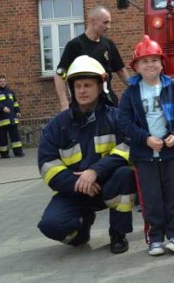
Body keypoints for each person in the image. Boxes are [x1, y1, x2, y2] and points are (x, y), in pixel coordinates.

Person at [37, 56, 135, 254]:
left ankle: (118, 234)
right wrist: (78, 184)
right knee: (51, 225)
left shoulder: (115, 117)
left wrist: (95, 172)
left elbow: (129, 147)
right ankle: (81, 231)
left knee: (125, 174)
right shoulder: (58, 125)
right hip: (74, 191)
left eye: (88, 85)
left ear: (100, 87)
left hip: (108, 185)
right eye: (78, 86)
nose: (82, 90)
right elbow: (46, 164)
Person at [118, 35, 174, 256]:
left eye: (154, 60)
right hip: (144, 156)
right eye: (144, 61)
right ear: (136, 67)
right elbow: (124, 122)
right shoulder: (131, 93)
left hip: (171, 155)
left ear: (162, 63)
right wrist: (145, 138)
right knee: (151, 199)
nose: (150, 65)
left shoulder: (173, 87)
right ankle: (155, 238)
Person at [54, 5, 129, 110]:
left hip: (107, 104)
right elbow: (60, 75)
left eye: (109, 23)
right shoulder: (75, 45)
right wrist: (64, 102)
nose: (109, 27)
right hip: (83, 106)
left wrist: (136, 90)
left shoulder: (108, 44)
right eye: (105, 22)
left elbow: (120, 71)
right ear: (92, 21)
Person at [0, 75, 23, 158]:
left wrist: (18, 111)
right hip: (1, 120)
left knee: (16, 138)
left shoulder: (10, 92)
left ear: (6, 82)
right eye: (1, 81)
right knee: (2, 139)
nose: (2, 83)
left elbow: (15, 102)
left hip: (12, 119)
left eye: (4, 81)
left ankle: (18, 152)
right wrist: (2, 107)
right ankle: (4, 154)